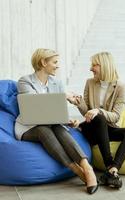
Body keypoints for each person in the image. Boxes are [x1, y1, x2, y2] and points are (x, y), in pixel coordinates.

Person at [14, 48, 98, 194]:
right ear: (43, 62)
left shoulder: (57, 83)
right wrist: (64, 96)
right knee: (43, 129)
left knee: (59, 128)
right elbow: (36, 106)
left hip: (52, 123)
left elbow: (55, 111)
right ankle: (75, 169)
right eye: (55, 62)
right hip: (29, 126)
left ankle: (86, 167)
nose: (58, 65)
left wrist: (67, 120)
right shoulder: (25, 81)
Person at [67, 52, 125, 189]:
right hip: (90, 128)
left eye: (94, 65)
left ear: (104, 66)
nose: (91, 69)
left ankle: (113, 171)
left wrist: (98, 111)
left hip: (107, 128)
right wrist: (77, 102)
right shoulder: (90, 83)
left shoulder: (120, 87)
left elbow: (116, 116)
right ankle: (110, 165)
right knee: (98, 119)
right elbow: (86, 111)